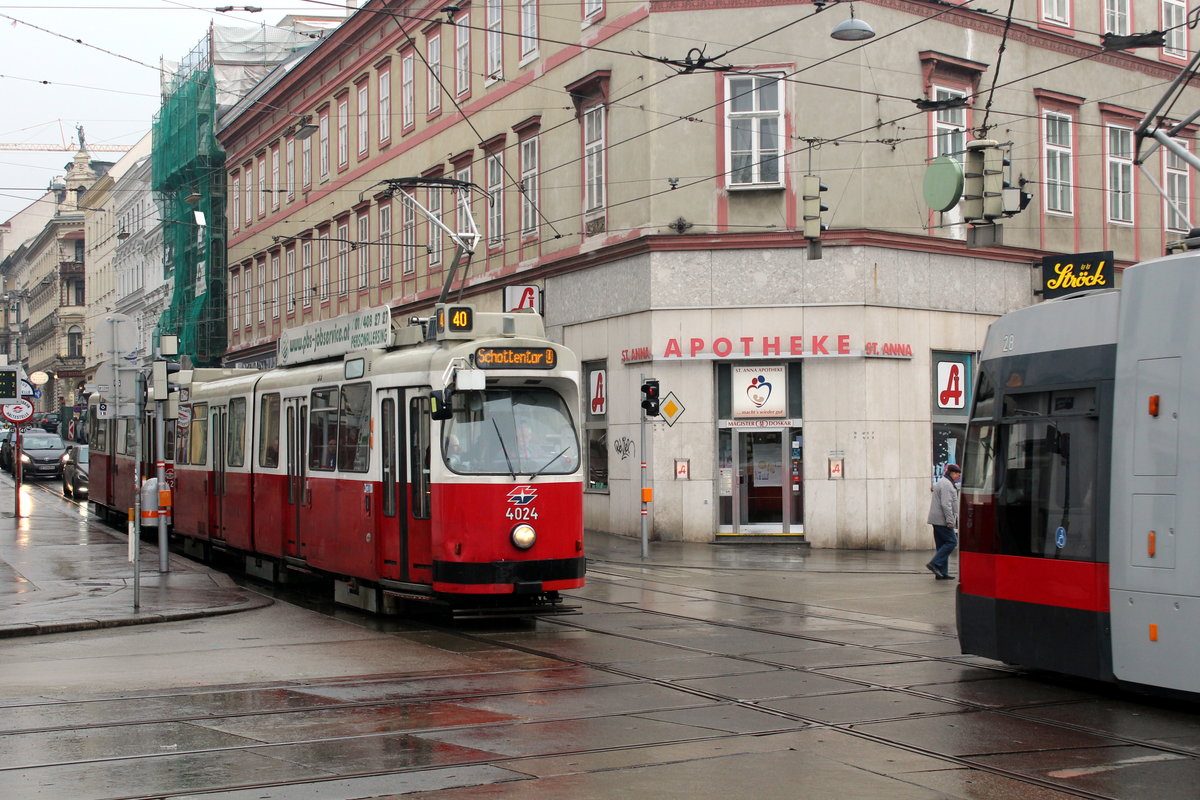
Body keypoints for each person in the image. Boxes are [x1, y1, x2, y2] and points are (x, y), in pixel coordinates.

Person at [926, 463, 961, 580]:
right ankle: (934, 563)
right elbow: (946, 504)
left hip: (937, 519)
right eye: (957, 474)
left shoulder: (943, 482)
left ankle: (941, 572)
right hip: (942, 520)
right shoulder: (946, 485)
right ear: (951, 473)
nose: (958, 476)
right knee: (952, 542)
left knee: (942, 545)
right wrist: (950, 521)